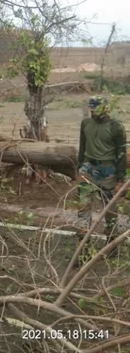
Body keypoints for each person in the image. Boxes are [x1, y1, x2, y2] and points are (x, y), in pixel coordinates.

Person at [76, 95, 127, 260]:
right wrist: (79, 168)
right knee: (83, 209)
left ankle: (111, 243)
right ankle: (83, 250)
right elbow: (82, 146)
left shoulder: (116, 127)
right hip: (88, 168)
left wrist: (120, 179)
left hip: (107, 170)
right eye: (91, 108)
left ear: (105, 108)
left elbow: (121, 154)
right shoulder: (86, 123)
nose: (92, 111)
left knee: (110, 210)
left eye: (95, 108)